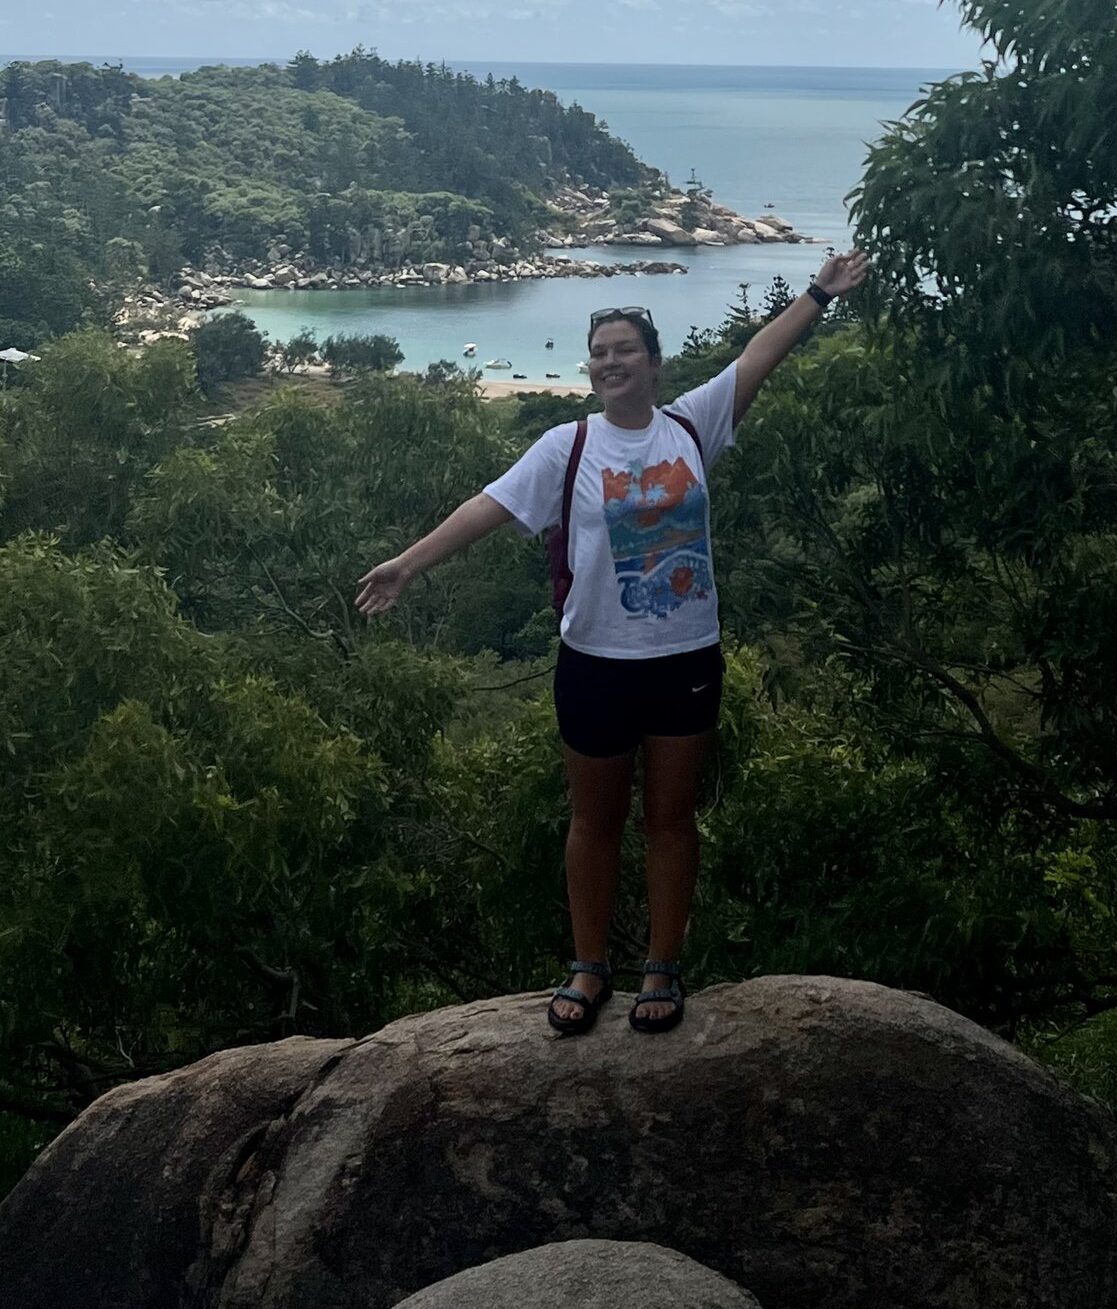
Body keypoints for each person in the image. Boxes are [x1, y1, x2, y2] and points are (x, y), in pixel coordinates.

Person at [355, 250, 869, 1035]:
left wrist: (817, 296)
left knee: (671, 817)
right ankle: (589, 966)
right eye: (599, 353)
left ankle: (662, 965)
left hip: (685, 657)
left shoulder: (695, 423)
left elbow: (759, 354)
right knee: (592, 821)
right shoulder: (568, 448)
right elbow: (487, 507)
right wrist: (408, 565)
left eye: (626, 349)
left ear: (655, 364)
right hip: (595, 659)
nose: (610, 362)